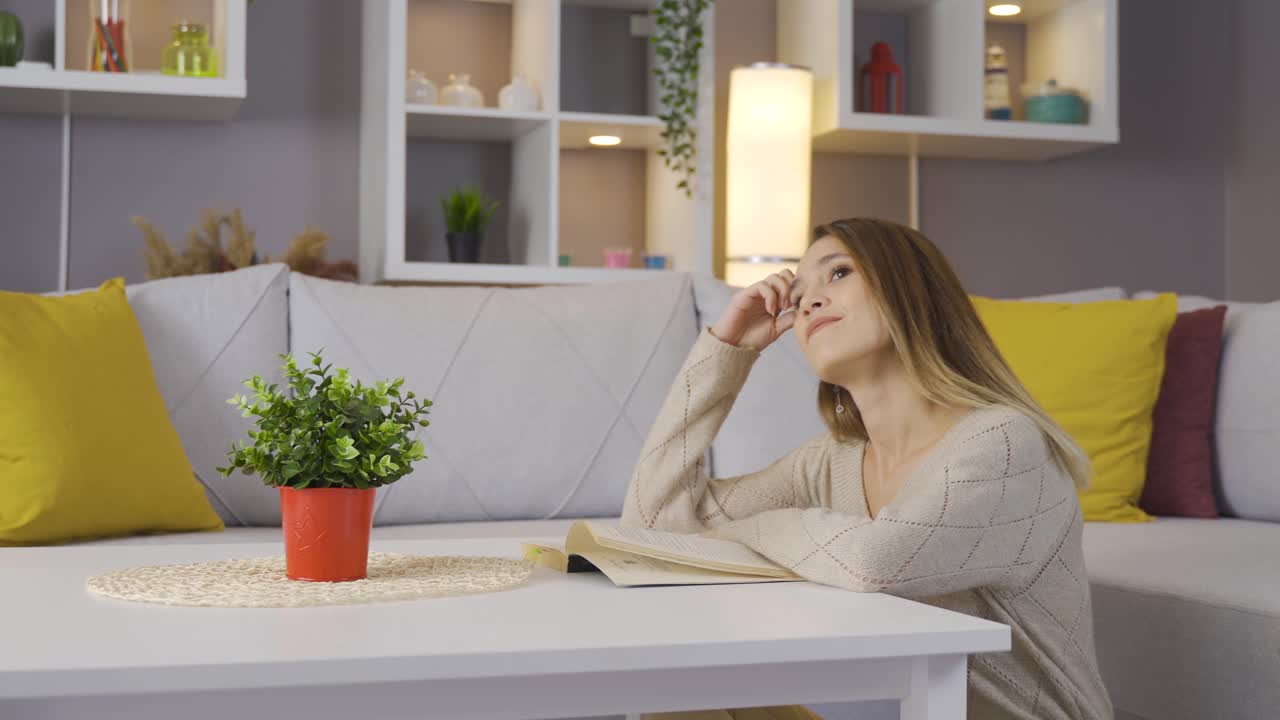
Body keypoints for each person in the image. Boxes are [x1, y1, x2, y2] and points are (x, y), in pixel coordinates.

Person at [622, 218, 1113, 720]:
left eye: (837, 274)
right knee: (677, 693)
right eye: (797, 293)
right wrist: (728, 351)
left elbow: (879, 561)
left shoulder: (1004, 443)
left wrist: (739, 532)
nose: (808, 301)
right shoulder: (830, 461)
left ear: (910, 292)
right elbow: (652, 525)